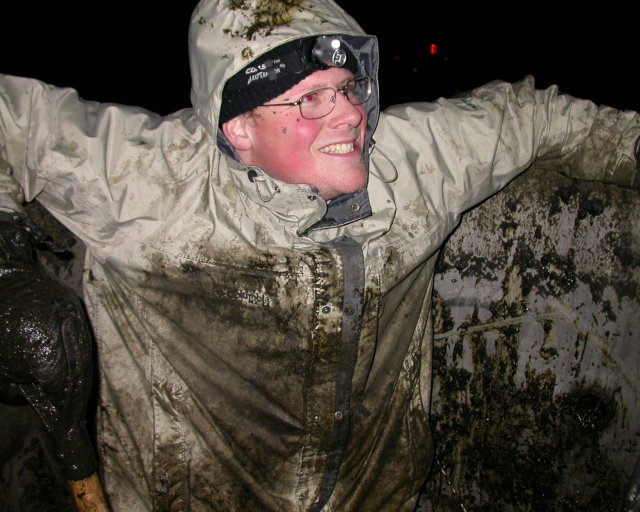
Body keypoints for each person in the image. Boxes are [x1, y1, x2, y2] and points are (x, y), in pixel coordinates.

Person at [0, 0, 638, 510]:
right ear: (238, 130)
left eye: (349, 88)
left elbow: (533, 118)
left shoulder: (415, 164)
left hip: (379, 494)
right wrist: (7, 264)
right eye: (309, 100)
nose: (350, 117)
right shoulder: (151, 184)